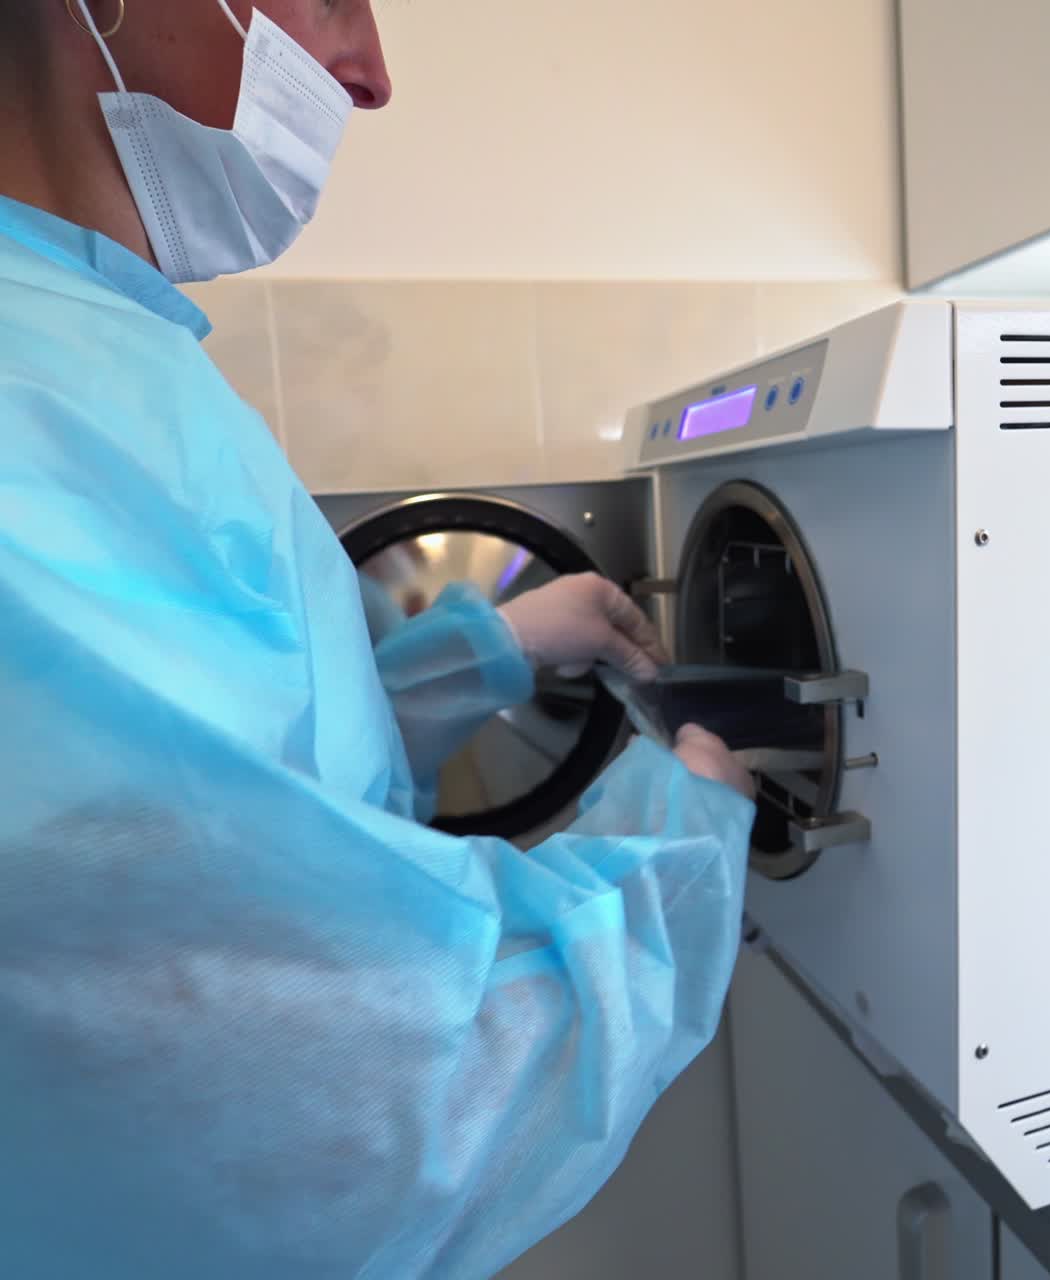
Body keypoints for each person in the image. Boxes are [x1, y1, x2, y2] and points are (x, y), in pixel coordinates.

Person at [0, 2, 756, 1277]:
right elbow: (332, 1086)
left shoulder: (95, 341)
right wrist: (676, 853)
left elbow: (182, 793)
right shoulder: (40, 397)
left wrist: (477, 657)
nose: (369, 72)